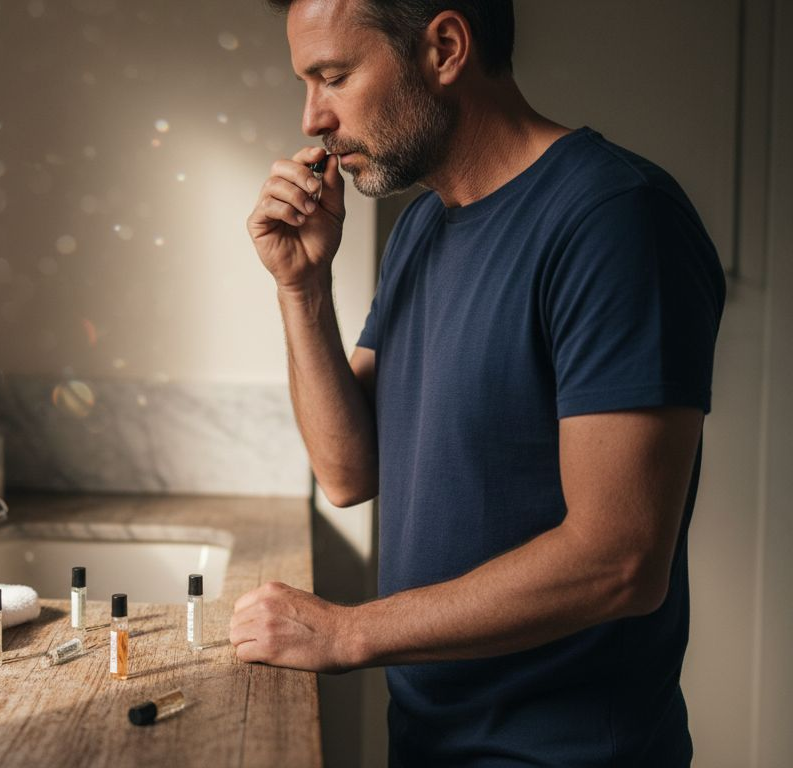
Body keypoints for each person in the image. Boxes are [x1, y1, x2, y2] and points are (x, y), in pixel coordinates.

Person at [230, 0, 726, 764]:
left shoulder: (617, 220)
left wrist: (347, 630)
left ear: (446, 48)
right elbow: (346, 469)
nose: (313, 119)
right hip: (431, 742)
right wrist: (301, 288)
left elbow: (620, 559)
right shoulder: (425, 226)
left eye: (334, 77)